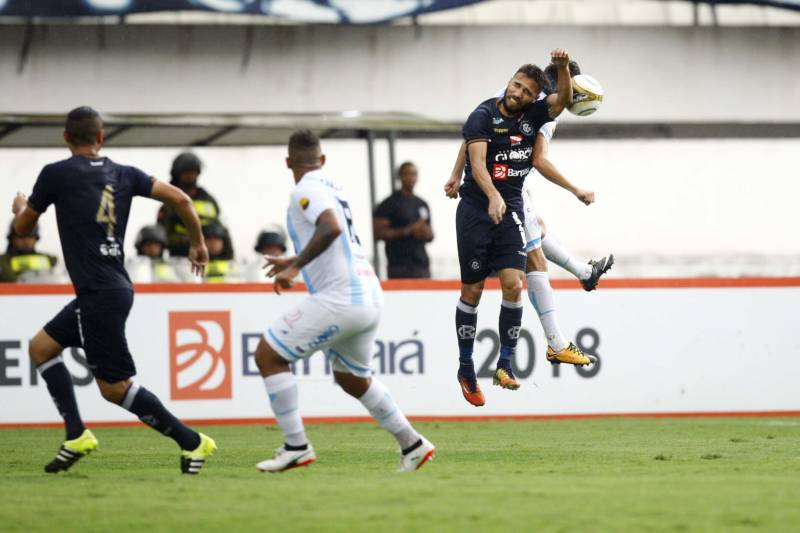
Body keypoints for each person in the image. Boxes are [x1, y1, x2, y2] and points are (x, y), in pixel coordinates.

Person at [11, 106, 216, 474]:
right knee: (41, 347)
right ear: (101, 138)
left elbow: (23, 228)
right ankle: (76, 434)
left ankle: (193, 442)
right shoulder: (125, 174)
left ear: (65, 138)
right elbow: (182, 200)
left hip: (99, 294)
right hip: (109, 289)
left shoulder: (55, 174)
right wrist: (197, 244)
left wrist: (21, 206)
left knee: (114, 388)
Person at [256, 130, 435, 473]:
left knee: (267, 355)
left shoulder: (304, 189)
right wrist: (295, 259)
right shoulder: (331, 187)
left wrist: (293, 267)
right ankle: (412, 444)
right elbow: (332, 234)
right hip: (368, 294)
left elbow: (331, 228)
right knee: (352, 378)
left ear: (288, 163)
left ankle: (296, 445)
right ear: (322, 160)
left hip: (342, 297)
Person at [453, 50, 592, 408]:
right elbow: (476, 157)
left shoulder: (537, 114)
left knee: (516, 282)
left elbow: (560, 100)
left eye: (525, 91)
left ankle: (505, 365)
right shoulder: (484, 112)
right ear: (510, 82)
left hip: (512, 206)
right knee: (472, 291)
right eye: (515, 85)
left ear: (536, 96)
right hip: (475, 208)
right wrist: (470, 183)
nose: (516, 92)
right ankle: (467, 368)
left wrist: (562, 68)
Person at [445, 60, 614, 292]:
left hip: (508, 183)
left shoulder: (509, 92)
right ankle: (558, 323)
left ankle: (584, 273)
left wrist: (455, 173)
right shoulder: (545, 112)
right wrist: (576, 189)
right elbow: (539, 160)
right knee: (536, 259)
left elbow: (471, 135)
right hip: (500, 186)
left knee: (538, 229)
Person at [157, 151, 232, 258]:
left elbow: (223, 231)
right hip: (181, 260)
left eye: (193, 172)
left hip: (212, 259)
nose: (190, 176)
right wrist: (192, 240)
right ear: (177, 174)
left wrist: (229, 259)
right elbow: (161, 237)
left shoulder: (209, 200)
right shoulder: (171, 201)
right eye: (186, 172)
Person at [373, 162, 434, 278]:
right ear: (400, 176)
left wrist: (425, 233)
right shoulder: (389, 204)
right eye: (407, 174)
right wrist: (408, 230)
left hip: (421, 266)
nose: (411, 178)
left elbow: (431, 235)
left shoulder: (422, 204)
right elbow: (378, 233)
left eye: (414, 174)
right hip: (398, 267)